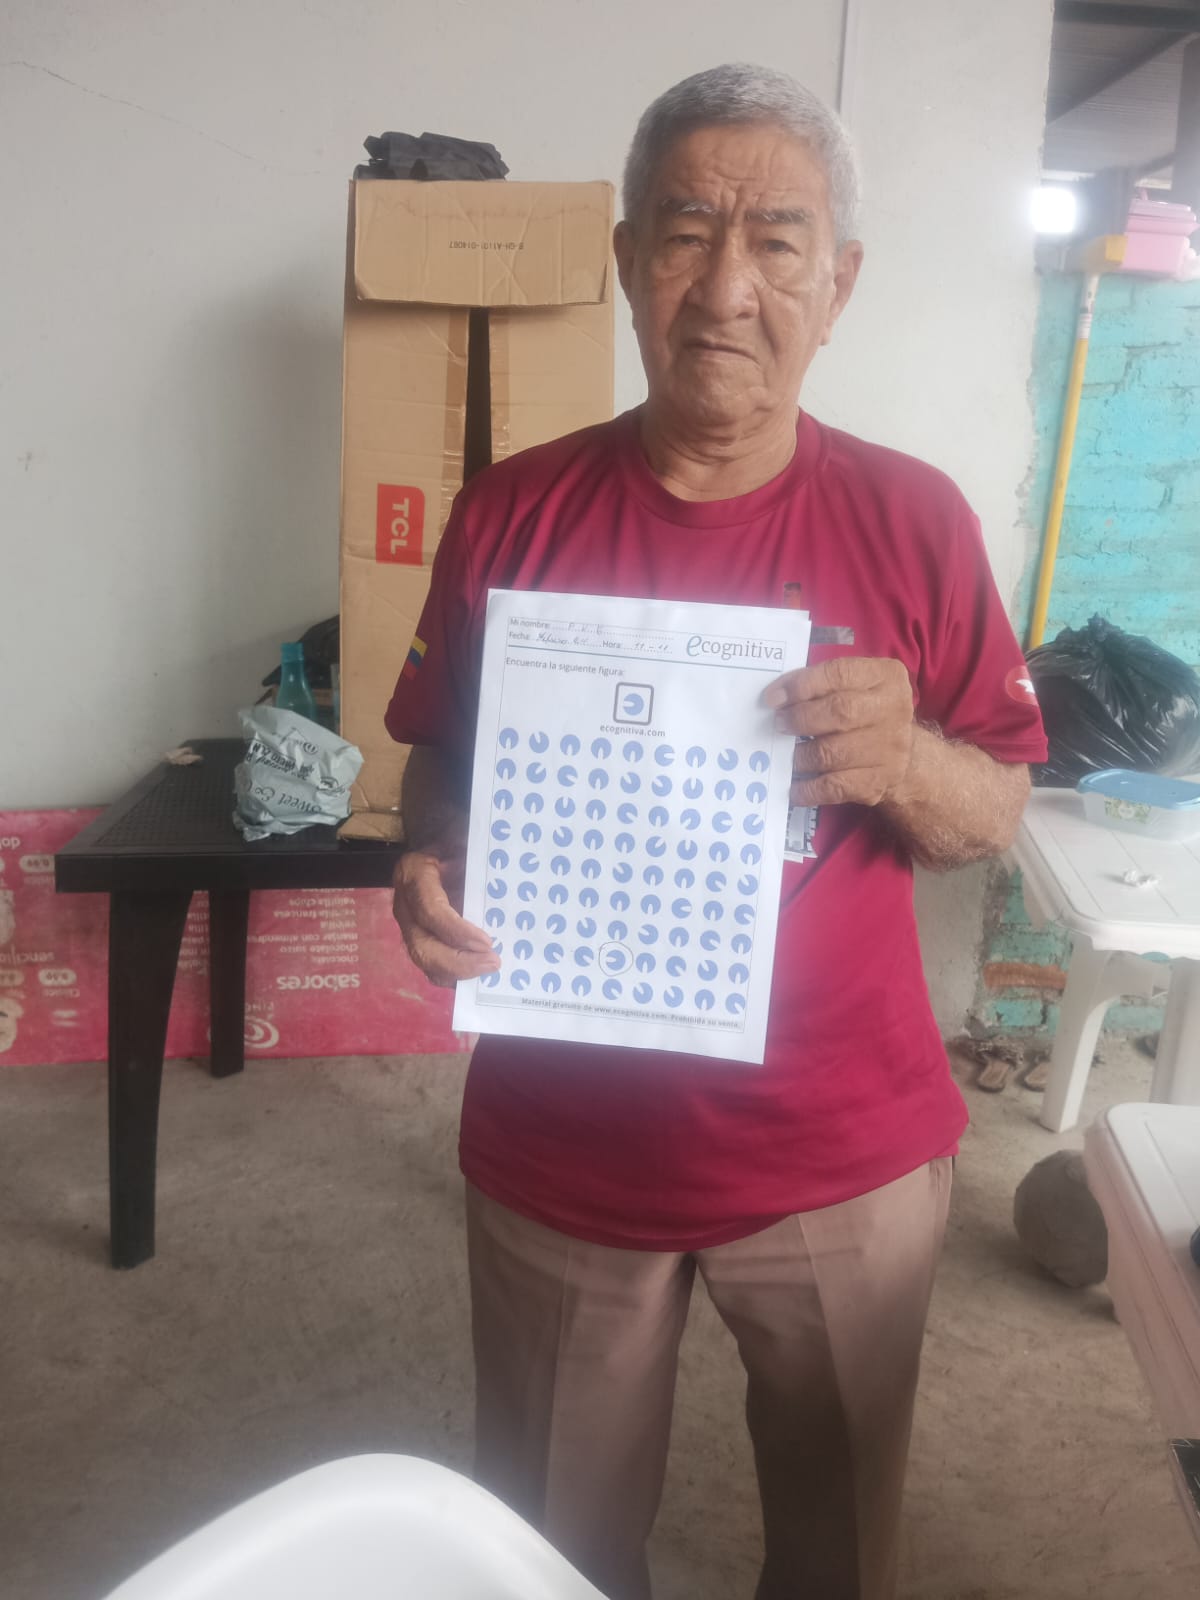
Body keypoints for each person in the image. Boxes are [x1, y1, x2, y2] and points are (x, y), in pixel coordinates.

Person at [388, 62, 1046, 1600]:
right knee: (548, 1557)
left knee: (838, 1553)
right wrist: (427, 865)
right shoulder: (509, 513)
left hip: (841, 1154)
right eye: (685, 235)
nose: (728, 288)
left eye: (777, 242)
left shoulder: (918, 520)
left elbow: (999, 804)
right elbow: (441, 763)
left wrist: (905, 760)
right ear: (629, 264)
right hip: (563, 1152)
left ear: (841, 284)